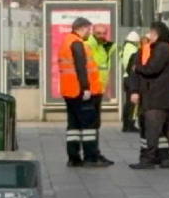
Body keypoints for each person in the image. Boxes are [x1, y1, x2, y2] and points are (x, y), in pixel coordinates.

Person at [130, 21, 169, 169]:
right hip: (165, 96)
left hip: (157, 97)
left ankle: (148, 159)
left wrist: (138, 68)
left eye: (152, 33)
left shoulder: (161, 48)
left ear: (158, 34)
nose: (149, 36)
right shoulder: (167, 48)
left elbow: (152, 68)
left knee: (152, 129)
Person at [58, 17, 113, 167]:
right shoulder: (77, 43)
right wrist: (86, 88)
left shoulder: (67, 41)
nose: (89, 32)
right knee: (89, 125)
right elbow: (81, 67)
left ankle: (74, 158)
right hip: (80, 91)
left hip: (69, 91)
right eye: (88, 29)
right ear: (81, 29)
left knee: (73, 125)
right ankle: (90, 157)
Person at [86, 23, 115, 133]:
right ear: (93, 33)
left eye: (104, 33)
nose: (101, 35)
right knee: (90, 120)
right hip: (89, 88)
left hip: (99, 88)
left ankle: (92, 141)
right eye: (98, 33)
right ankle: (90, 143)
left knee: (96, 121)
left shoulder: (104, 46)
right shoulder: (88, 44)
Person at [120, 31, 141, 132]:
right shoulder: (133, 49)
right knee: (133, 103)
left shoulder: (124, 48)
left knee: (127, 102)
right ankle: (130, 124)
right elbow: (132, 65)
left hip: (126, 77)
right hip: (131, 77)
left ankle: (125, 124)